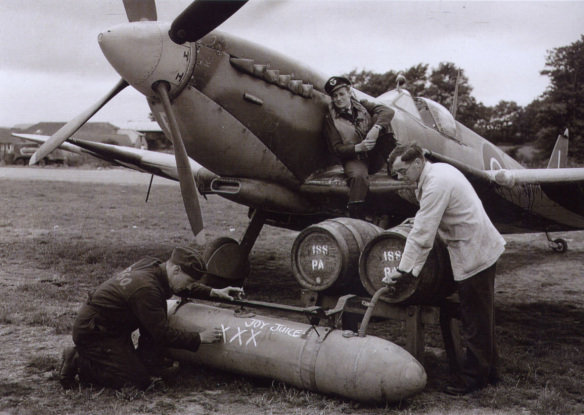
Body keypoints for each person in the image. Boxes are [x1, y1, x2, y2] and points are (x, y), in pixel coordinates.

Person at [382, 143, 506, 395]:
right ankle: (490, 372)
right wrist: (417, 219)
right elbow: (431, 214)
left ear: (418, 162)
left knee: (474, 317)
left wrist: (404, 270)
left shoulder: (436, 182)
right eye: (397, 173)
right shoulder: (437, 172)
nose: (401, 177)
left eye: (403, 171)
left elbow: (423, 234)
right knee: (480, 315)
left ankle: (474, 379)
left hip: (475, 251)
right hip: (475, 246)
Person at [58, 246, 244, 390]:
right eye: (189, 281)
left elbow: (180, 287)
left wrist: (214, 292)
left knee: (154, 317)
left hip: (112, 327)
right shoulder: (147, 289)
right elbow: (161, 334)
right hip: (96, 333)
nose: (189, 288)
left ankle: (148, 361)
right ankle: (77, 359)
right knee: (136, 382)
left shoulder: (154, 266)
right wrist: (199, 337)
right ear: (177, 270)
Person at [322, 76, 395, 218]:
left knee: (383, 121)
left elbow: (388, 112)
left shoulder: (363, 105)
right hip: (355, 159)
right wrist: (358, 148)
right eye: (335, 96)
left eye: (341, 94)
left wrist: (376, 129)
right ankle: (356, 217)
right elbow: (336, 149)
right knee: (358, 177)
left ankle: (395, 166)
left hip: (375, 156)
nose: (338, 99)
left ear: (349, 92)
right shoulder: (329, 120)